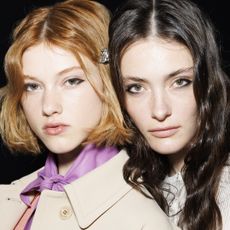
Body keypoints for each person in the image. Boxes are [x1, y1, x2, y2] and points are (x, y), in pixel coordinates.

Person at [0, 0, 180, 229]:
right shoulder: (13, 197)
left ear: (108, 82)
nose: (48, 106)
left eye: (71, 81)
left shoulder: (140, 218)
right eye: (32, 86)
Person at [109, 0, 230, 229]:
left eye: (180, 82)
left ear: (207, 82)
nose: (160, 110)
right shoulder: (128, 183)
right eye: (136, 88)